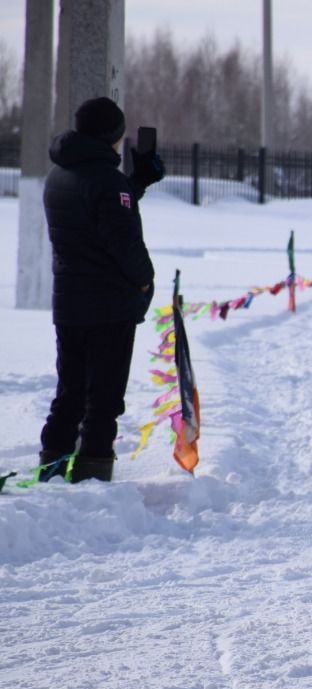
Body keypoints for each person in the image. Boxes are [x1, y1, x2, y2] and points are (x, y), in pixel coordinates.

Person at [37, 96, 165, 484]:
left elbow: (95, 213)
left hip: (70, 303)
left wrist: (135, 183)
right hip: (109, 306)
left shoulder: (58, 175)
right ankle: (93, 472)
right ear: (113, 135)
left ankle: (52, 467)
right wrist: (145, 279)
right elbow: (121, 239)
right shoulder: (107, 182)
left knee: (70, 391)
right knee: (104, 398)